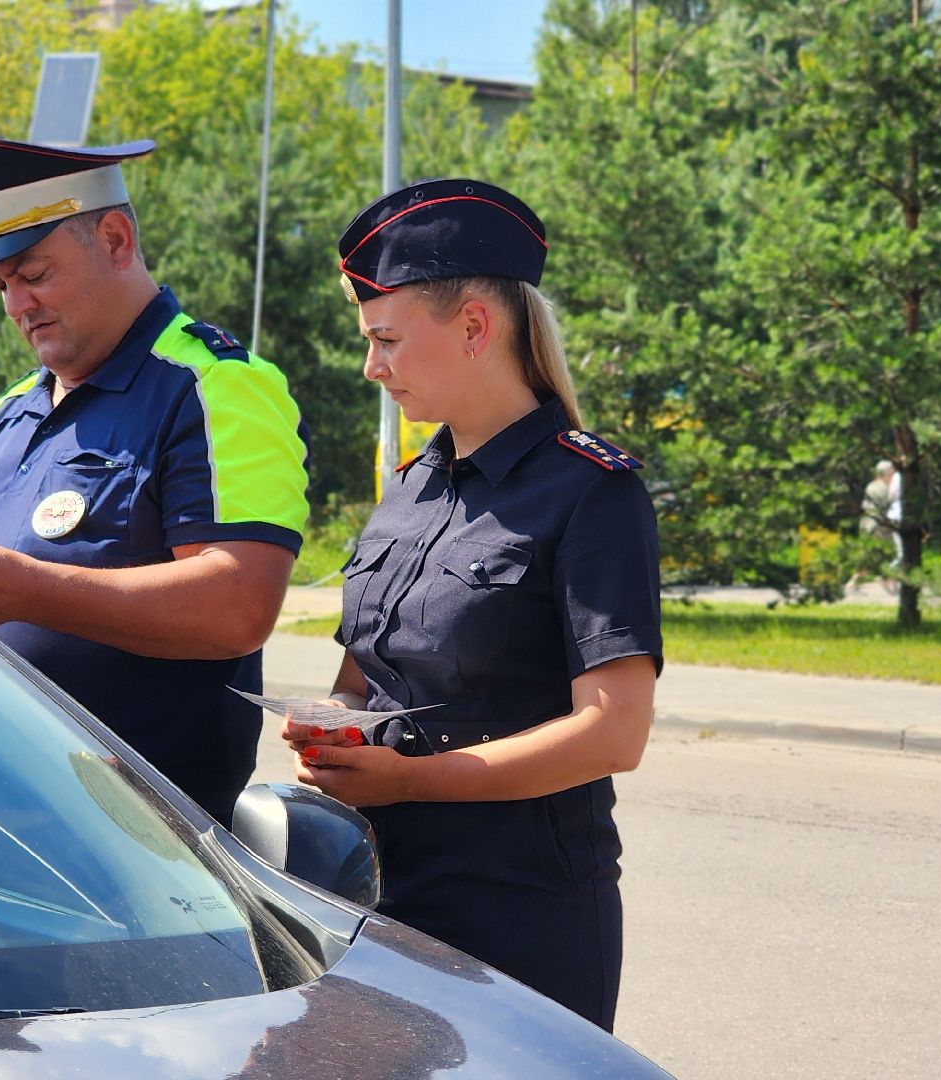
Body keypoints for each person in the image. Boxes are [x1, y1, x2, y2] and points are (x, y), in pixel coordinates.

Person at [281, 179, 662, 1031]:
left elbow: (613, 731)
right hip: (375, 895)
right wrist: (330, 729)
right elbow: (360, 680)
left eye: (385, 341)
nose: (370, 367)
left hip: (518, 914)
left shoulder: (590, 491)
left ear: (475, 327)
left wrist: (410, 783)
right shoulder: (411, 486)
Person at [0, 137, 310, 828]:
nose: (16, 305)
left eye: (33, 272)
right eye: (0, 284)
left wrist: (26, 591)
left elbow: (238, 605)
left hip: (136, 861)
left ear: (116, 239)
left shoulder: (214, 386)